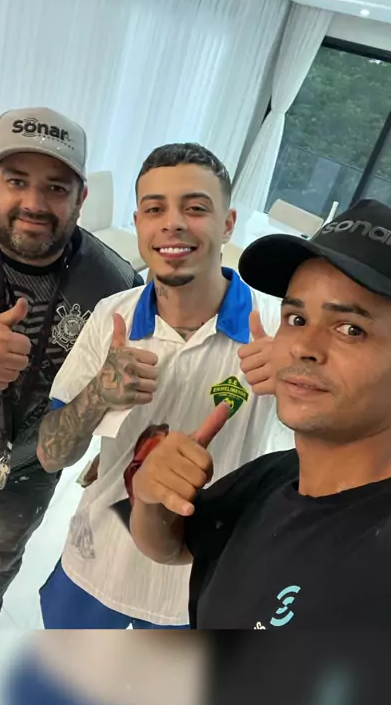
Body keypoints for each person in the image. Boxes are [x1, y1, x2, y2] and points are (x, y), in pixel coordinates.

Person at [37, 142, 290, 629]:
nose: (172, 223)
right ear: (138, 224)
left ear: (228, 223)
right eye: (155, 209)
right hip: (97, 563)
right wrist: (98, 396)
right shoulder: (112, 316)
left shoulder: (278, 329)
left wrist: (296, 386)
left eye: (195, 208)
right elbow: (51, 455)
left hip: (202, 584)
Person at [0, 106, 142, 629]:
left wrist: (113, 450)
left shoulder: (115, 284)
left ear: (81, 198)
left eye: (56, 188)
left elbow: (128, 376)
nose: (34, 204)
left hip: (29, 470)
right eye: (17, 181)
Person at [130, 198, 391, 629]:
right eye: (296, 318)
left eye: (351, 329)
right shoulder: (274, 477)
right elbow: (170, 548)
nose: (303, 346)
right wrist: (151, 497)